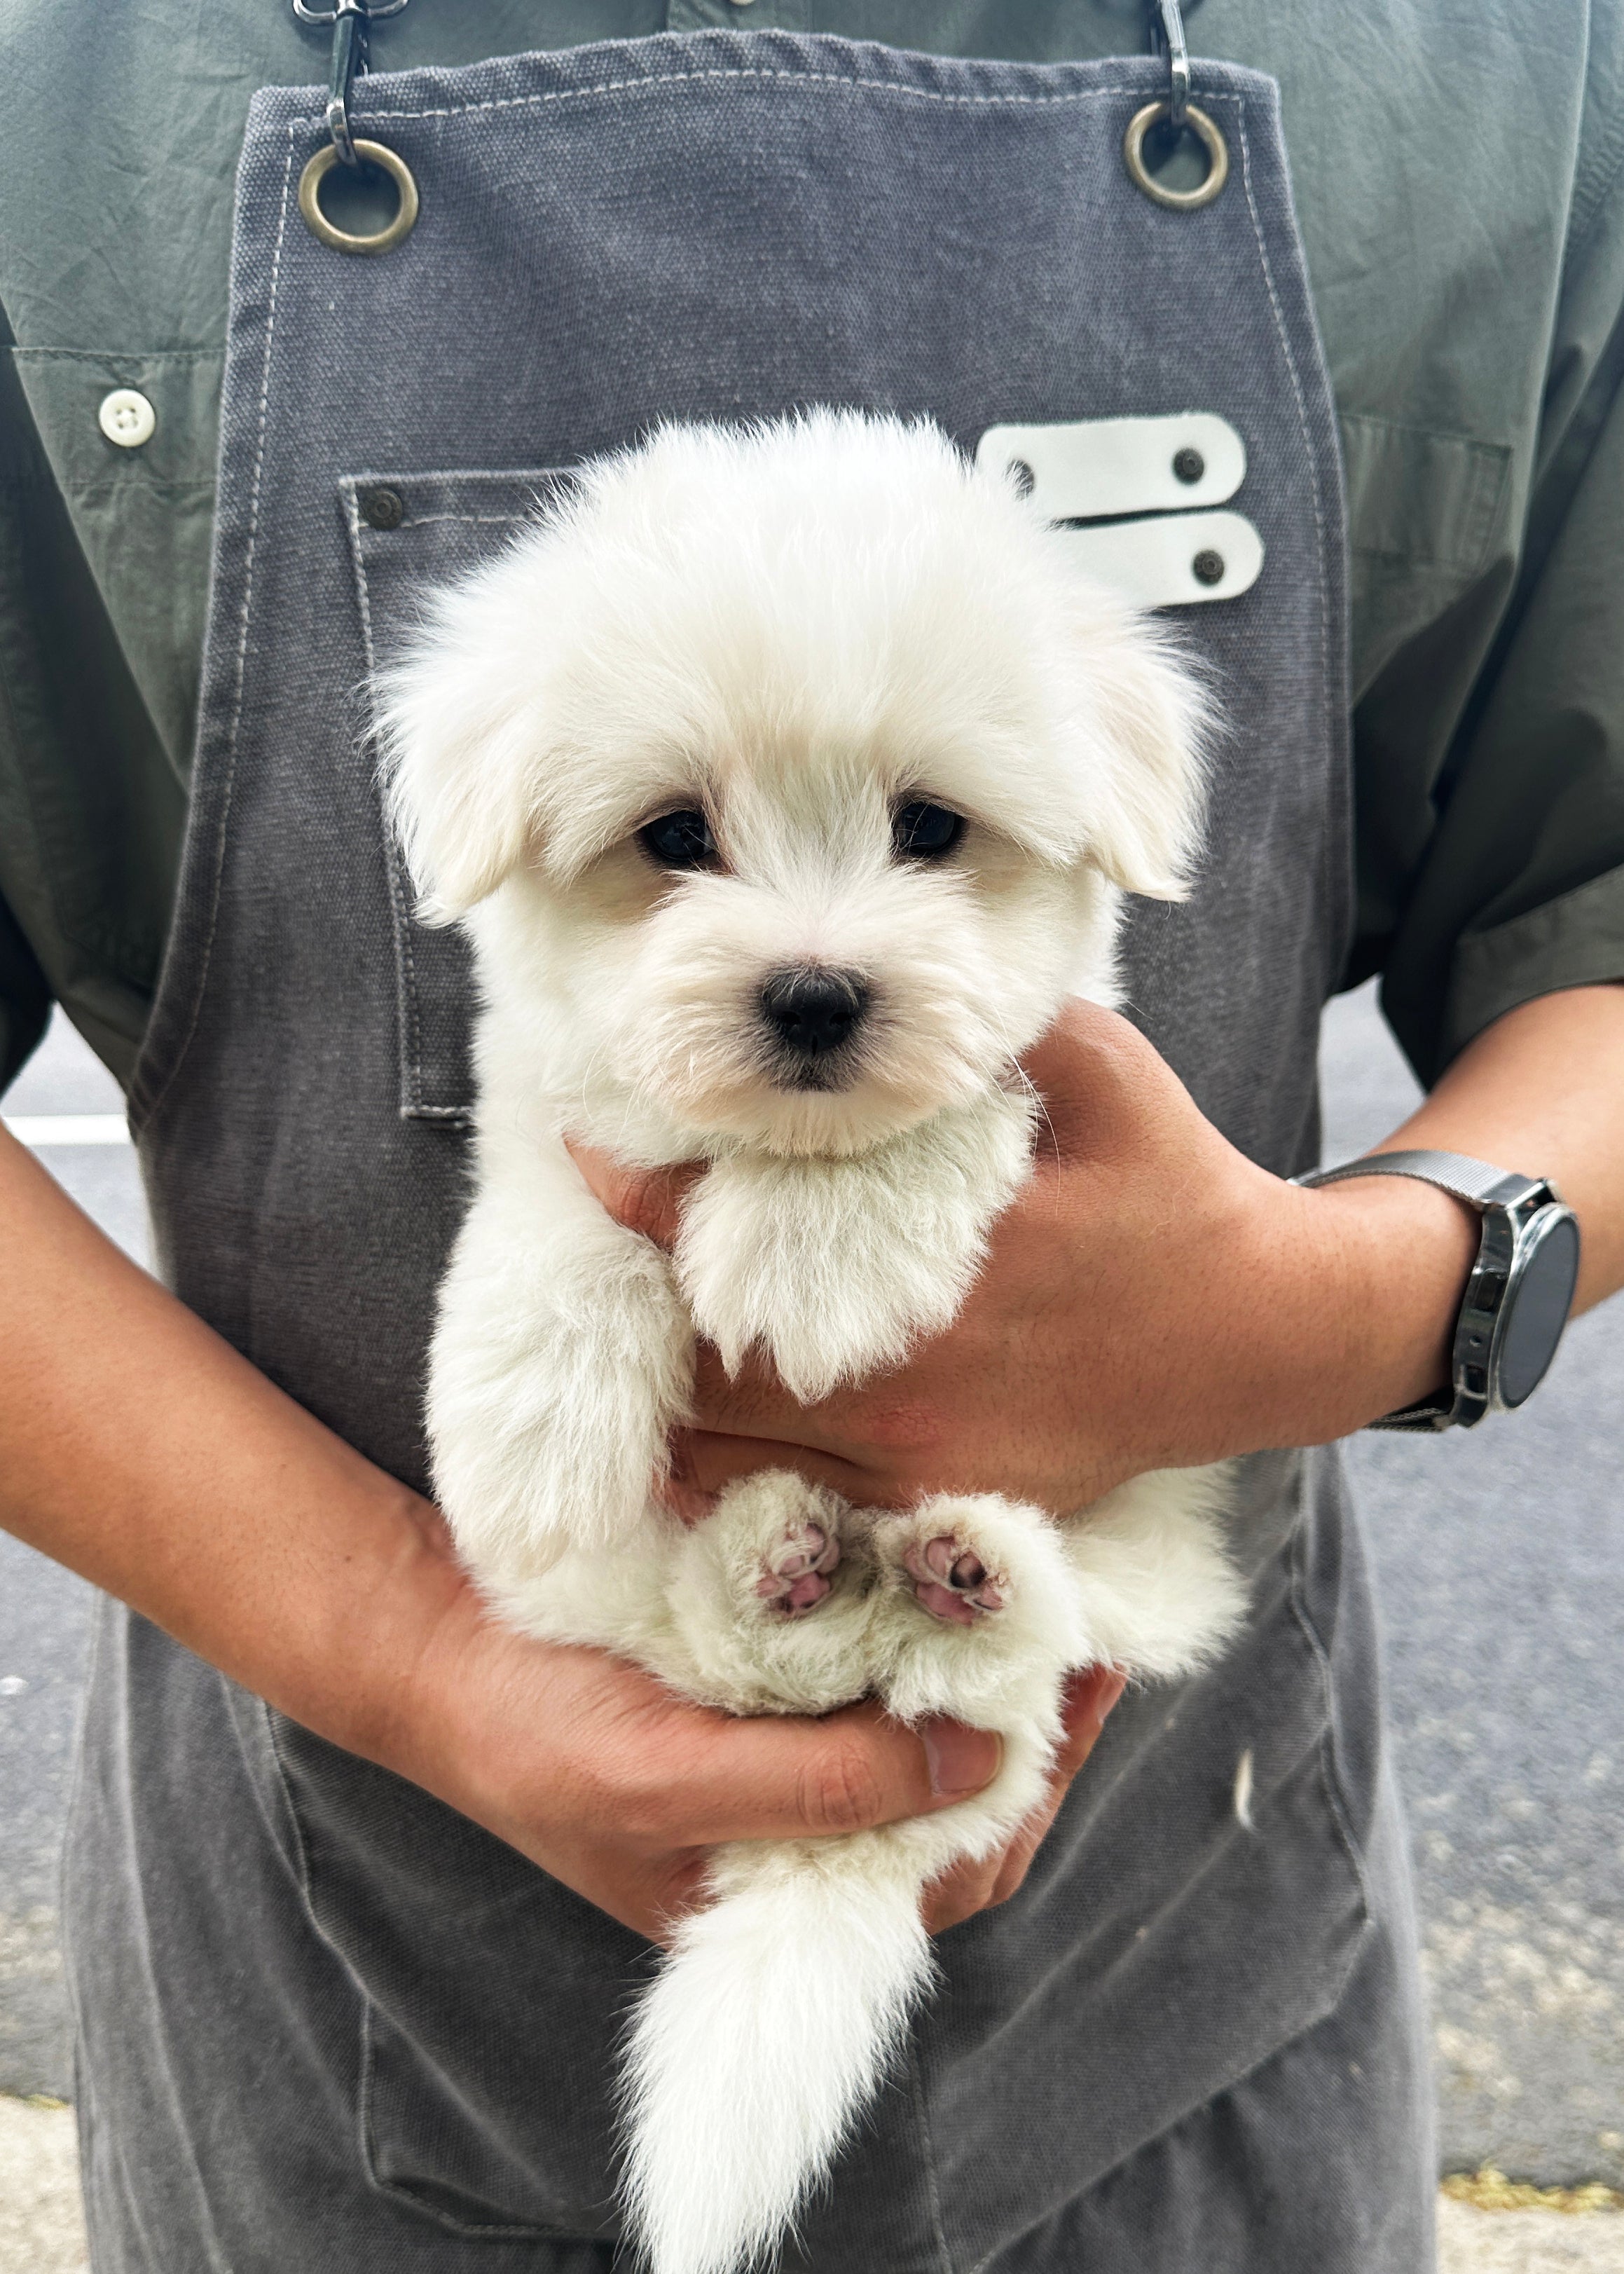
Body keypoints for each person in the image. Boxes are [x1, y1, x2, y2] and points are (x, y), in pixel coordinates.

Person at [0, 3, 1620, 2269]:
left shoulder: (1498, 59)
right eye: (677, 836)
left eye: (936, 831)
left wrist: (1357, 1299)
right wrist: (412, 1646)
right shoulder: (67, 91)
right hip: (358, 1982)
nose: (815, 948)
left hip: (1189, 1954)